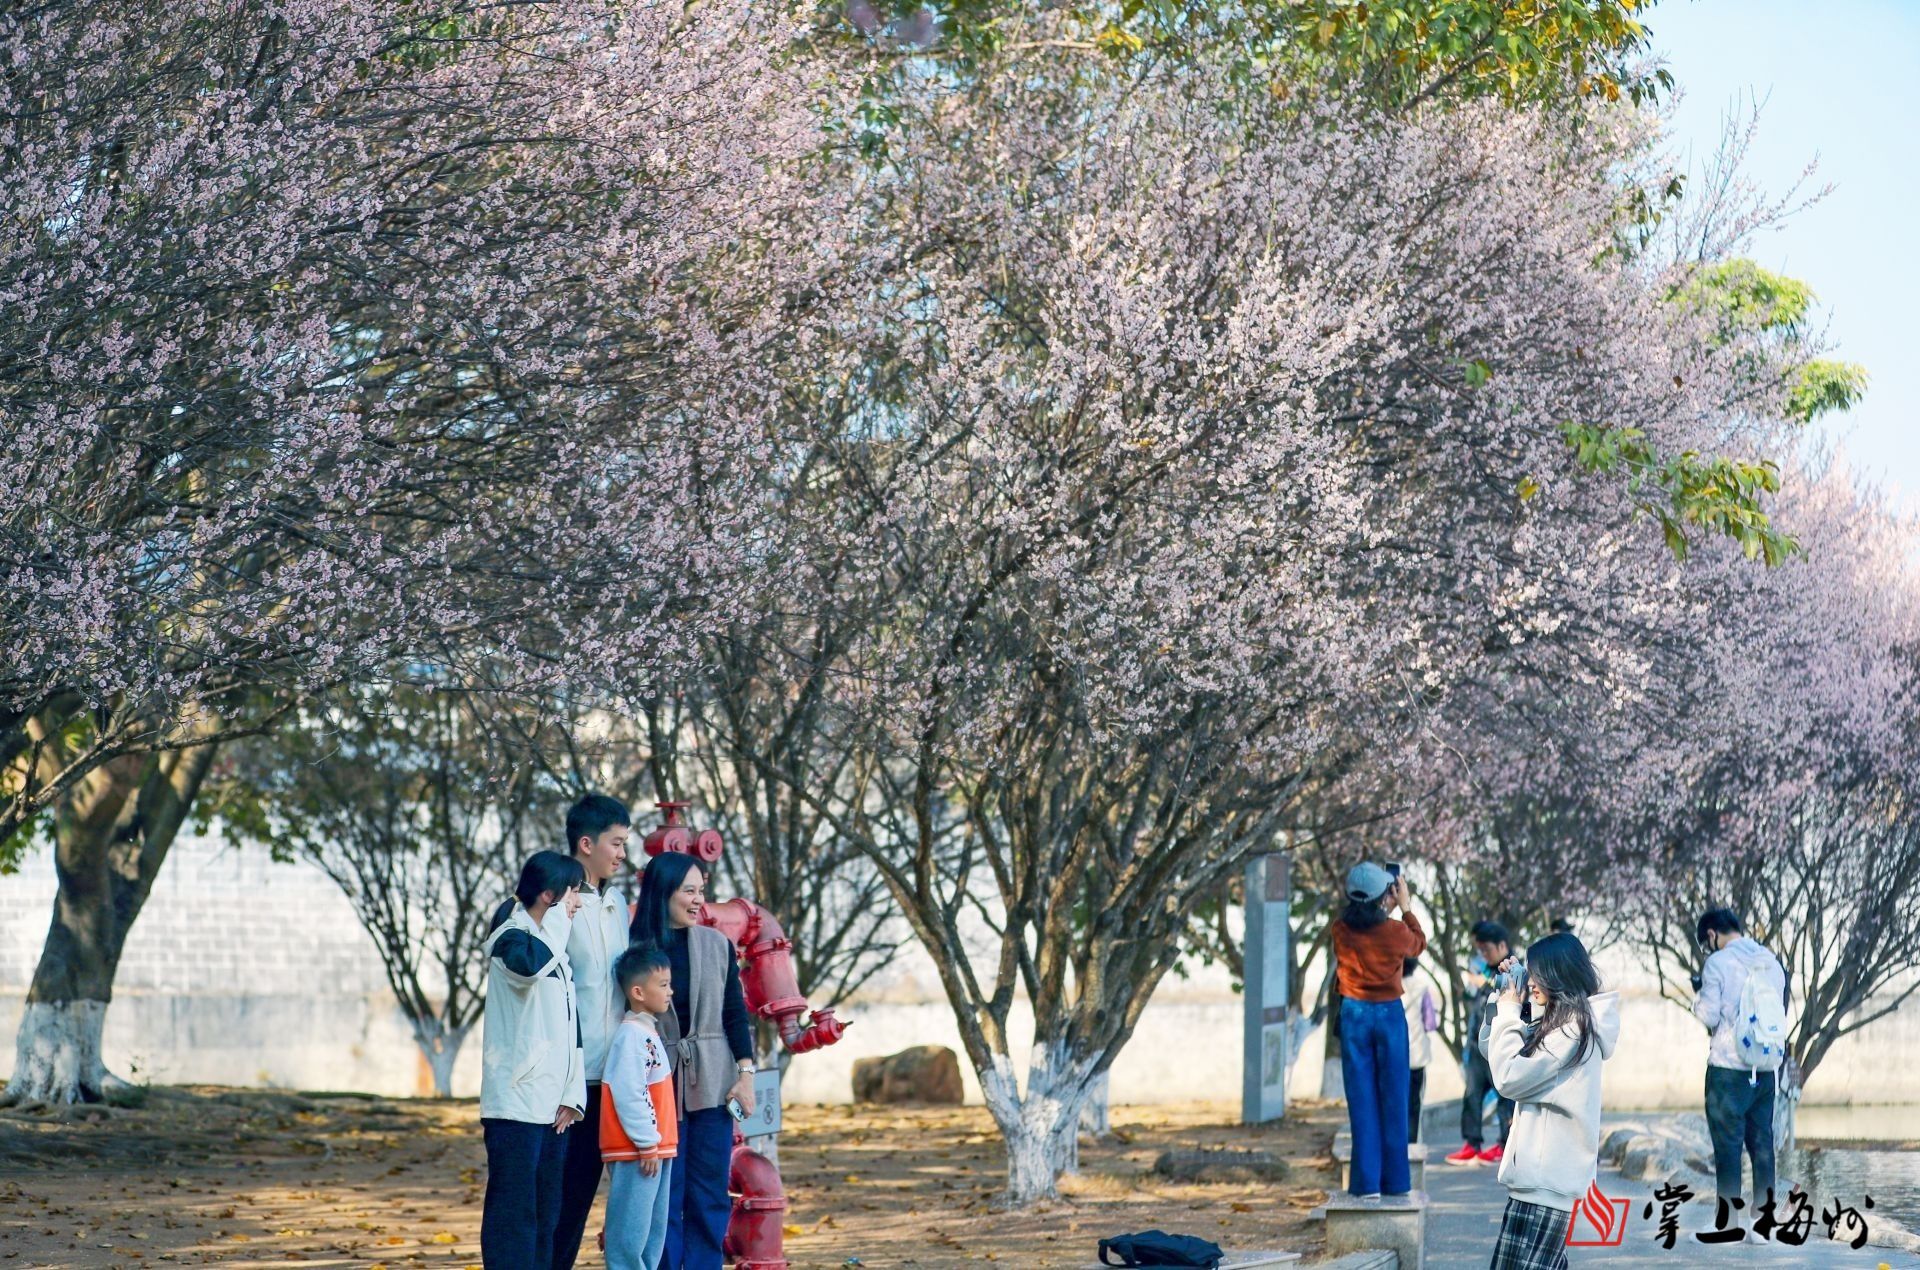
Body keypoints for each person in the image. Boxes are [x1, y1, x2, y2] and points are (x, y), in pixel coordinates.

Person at [629, 852, 757, 1270]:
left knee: (709, 1193)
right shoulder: (632, 948)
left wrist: (746, 1074)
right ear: (663, 891)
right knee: (662, 1193)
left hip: (713, 1084)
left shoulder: (717, 945)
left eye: (702, 890)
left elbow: (734, 1014)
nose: (699, 899)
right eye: (689, 891)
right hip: (655, 1085)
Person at [1480, 932, 1621, 1270]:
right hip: (1539, 1184)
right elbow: (1494, 1051)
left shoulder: (1570, 1034)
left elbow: (1508, 1075)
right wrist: (1502, 1000)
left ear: (1559, 975)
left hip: (1546, 1187)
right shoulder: (1561, 1027)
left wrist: (1510, 1008)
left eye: (1536, 973)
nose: (1530, 981)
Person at [480, 851, 589, 1270]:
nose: (578, 903)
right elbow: (528, 969)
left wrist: (572, 1095)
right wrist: (558, 921)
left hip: (553, 1108)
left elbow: (570, 1027)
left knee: (546, 1217)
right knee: (514, 1218)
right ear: (549, 895)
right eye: (574, 893)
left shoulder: (555, 948)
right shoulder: (511, 939)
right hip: (515, 1106)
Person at [551, 795, 635, 1270]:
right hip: (565, 1078)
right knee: (553, 1196)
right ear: (587, 844)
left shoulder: (617, 903)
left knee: (581, 1194)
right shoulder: (557, 900)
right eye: (616, 843)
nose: (622, 854)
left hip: (609, 1077)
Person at [1328, 862, 1426, 1198]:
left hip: (1353, 1014)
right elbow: (1418, 944)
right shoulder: (1396, 931)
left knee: (1361, 1098)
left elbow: (1367, 926)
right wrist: (1405, 907)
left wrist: (1386, 906)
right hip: (1388, 1015)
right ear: (1383, 897)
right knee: (1395, 1096)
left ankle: (1366, 1183)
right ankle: (1396, 1182)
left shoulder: (1340, 929)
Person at [1693, 907, 1789, 1208]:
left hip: (1728, 1072)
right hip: (1765, 1069)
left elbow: (1709, 1015)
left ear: (1712, 934)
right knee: (1763, 1149)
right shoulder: (1770, 962)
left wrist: (1696, 997)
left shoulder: (1717, 963)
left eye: (1706, 944)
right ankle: (1764, 1221)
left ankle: (1727, 1221)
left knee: (1728, 1151)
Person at [601, 944, 679, 1270]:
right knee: (628, 1240)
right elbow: (630, 1092)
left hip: (655, 1150)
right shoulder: (632, 1037)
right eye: (663, 984)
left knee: (650, 1236)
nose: (670, 991)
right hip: (637, 1151)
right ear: (638, 992)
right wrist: (647, 1142)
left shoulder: (647, 1032)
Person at [1447, 919, 1516, 1167]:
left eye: (1487, 949)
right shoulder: (1485, 969)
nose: (1484, 955)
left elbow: (1512, 994)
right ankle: (1471, 1143)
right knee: (1472, 1094)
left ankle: (1505, 1144)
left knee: (1505, 1096)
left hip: (1500, 1045)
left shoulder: (1513, 966)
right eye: (1481, 950)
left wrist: (1484, 983)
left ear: (1502, 946)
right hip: (1478, 1044)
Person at [1401, 957, 1438, 1144]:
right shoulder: (1422, 988)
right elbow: (1430, 1023)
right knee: (1414, 1103)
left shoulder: (1389, 989)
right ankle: (1412, 1143)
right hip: (1417, 1055)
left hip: (1394, 1056)